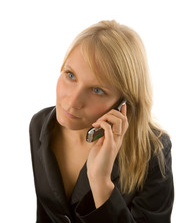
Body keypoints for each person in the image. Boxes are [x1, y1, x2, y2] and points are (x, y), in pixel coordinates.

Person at [29, 20, 174, 223]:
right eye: (70, 75)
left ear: (123, 103)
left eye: (97, 90)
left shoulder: (153, 151)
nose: (72, 102)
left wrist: (101, 183)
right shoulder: (40, 125)